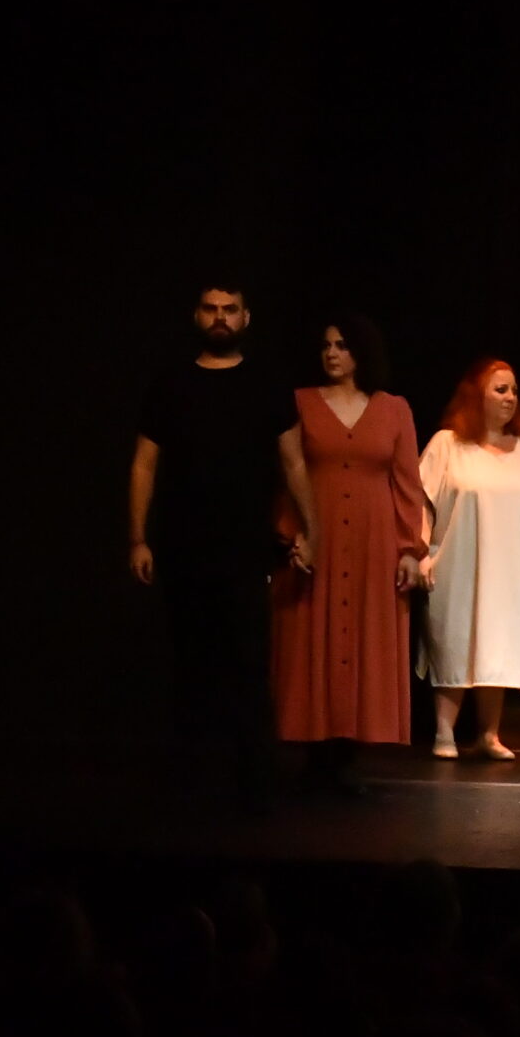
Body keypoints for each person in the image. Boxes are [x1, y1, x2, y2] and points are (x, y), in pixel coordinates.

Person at [129, 280, 293, 811]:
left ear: (246, 318)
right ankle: (193, 780)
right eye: (210, 308)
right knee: (191, 666)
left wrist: (308, 530)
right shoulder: (171, 384)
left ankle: (255, 783)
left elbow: (293, 462)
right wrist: (138, 538)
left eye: (230, 309)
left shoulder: (266, 384)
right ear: (196, 315)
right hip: (183, 548)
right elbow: (144, 464)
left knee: (249, 666)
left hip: (245, 550)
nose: (220, 317)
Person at [273, 315, 427, 791]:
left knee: (364, 637)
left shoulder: (393, 409)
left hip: (372, 543)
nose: (332, 353)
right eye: (326, 346)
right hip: (318, 535)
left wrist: (409, 549)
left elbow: (407, 483)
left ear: (362, 352)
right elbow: (287, 474)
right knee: (310, 637)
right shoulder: (300, 403)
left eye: (341, 345)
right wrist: (294, 534)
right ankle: (314, 753)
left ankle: (346, 755)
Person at [416, 360, 520, 762]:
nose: (510, 397)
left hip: (513, 567)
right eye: (500, 389)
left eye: (514, 390)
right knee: (455, 639)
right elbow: (423, 504)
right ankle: (444, 731)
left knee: (499, 643)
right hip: (459, 563)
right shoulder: (447, 445)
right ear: (476, 394)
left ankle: (488, 734)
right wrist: (420, 552)